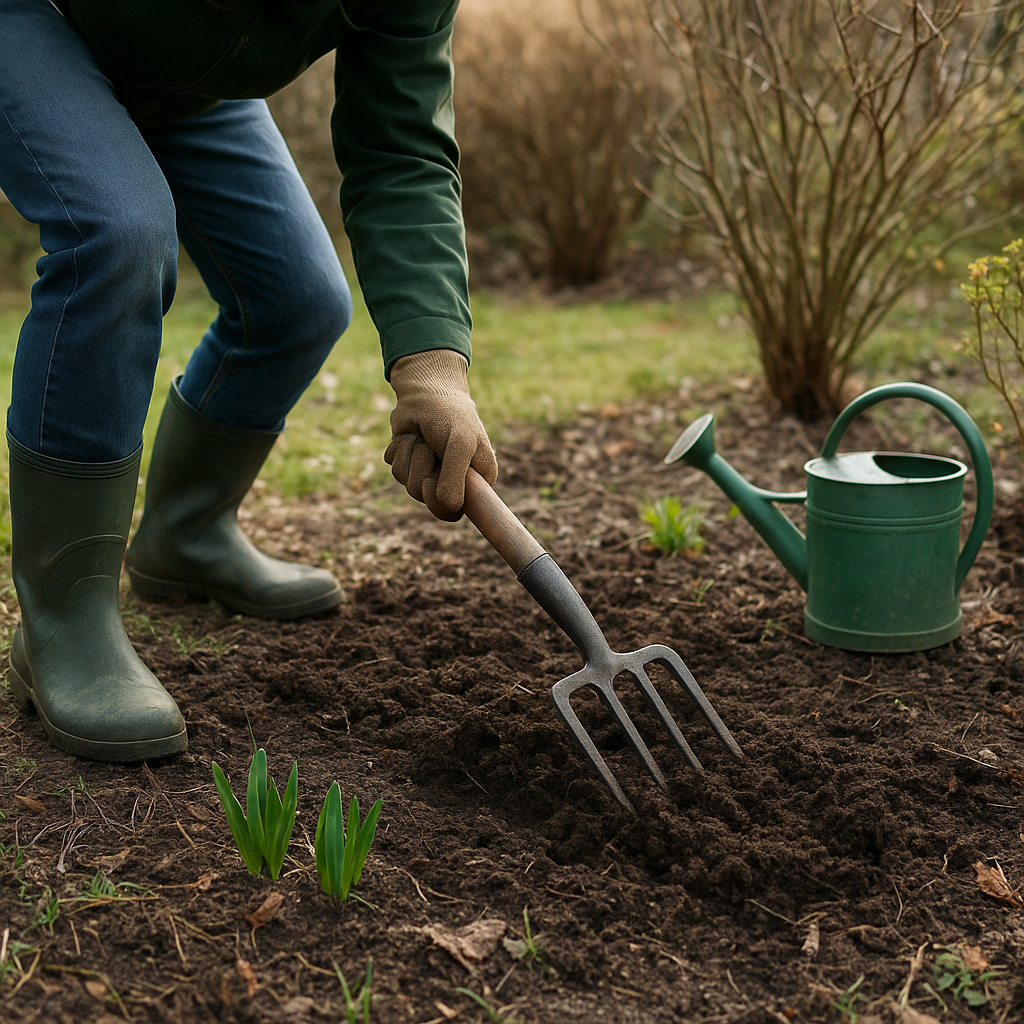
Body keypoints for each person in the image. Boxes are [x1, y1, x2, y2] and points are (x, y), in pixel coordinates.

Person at [0, 0, 498, 763]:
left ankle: (186, 534)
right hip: (38, 16)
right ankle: (63, 618)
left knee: (299, 300)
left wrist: (434, 364)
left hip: (185, 82)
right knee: (117, 233)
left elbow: (402, 149)